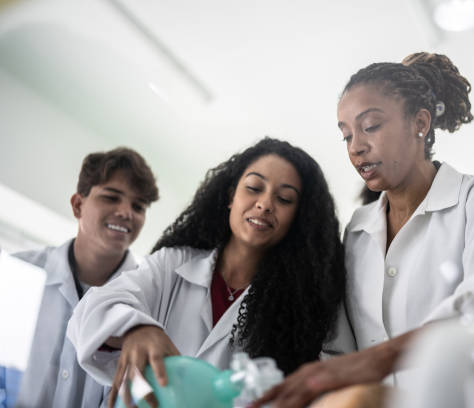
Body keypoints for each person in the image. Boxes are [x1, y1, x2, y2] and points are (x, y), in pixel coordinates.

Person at [254, 52, 474, 408]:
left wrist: (379, 358)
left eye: (370, 126)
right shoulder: (358, 230)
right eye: (346, 136)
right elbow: (341, 348)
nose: (356, 147)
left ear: (420, 122)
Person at [66, 138, 354, 407]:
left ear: (297, 218)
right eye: (254, 188)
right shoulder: (172, 265)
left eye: (285, 199)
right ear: (231, 196)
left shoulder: (301, 309)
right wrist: (136, 329)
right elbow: (89, 312)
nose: (265, 204)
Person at [1, 147, 159, 408]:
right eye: (111, 197)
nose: (126, 212)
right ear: (77, 205)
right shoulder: (18, 272)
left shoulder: (150, 301)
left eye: (138, 206)